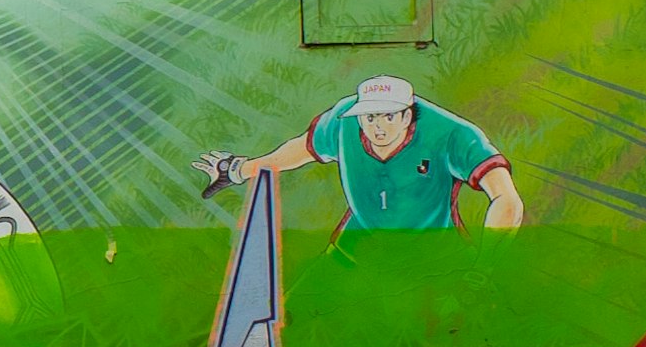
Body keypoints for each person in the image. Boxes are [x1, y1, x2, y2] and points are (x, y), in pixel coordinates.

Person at [207, 76, 521, 234]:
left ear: (408, 115)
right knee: (299, 316)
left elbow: (506, 199)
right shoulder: (343, 121)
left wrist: (483, 268)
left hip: (431, 252)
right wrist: (237, 170)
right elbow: (301, 149)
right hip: (359, 241)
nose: (378, 127)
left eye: (388, 117)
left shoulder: (452, 134)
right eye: (370, 118)